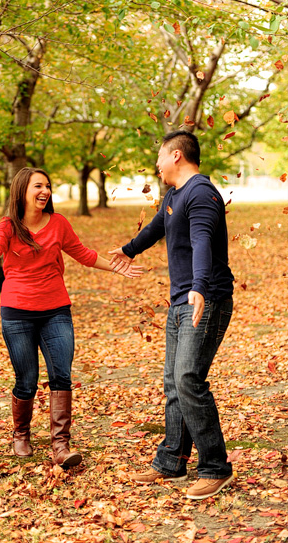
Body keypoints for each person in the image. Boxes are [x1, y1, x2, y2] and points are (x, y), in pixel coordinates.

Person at [0, 167, 144, 467]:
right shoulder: (8, 226)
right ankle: (21, 435)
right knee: (27, 379)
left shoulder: (59, 223)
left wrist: (117, 267)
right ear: (22, 190)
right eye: (38, 186)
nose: (45, 191)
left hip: (55, 310)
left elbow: (83, 253)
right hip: (17, 312)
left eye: (48, 186)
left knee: (61, 375)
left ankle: (60, 445)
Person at [110, 130, 235, 500]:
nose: (157, 163)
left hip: (205, 298)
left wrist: (198, 285)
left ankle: (215, 467)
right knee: (172, 382)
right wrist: (129, 250)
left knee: (187, 378)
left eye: (160, 156)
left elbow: (201, 241)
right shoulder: (174, 195)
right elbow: (157, 228)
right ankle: (172, 460)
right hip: (181, 300)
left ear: (176, 155)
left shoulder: (201, 193)